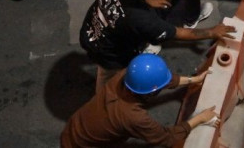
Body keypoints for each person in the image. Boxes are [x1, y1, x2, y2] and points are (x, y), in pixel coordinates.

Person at [79, 0, 236, 92]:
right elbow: (178, 33)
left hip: (90, 31)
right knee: (108, 77)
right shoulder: (144, 21)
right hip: (108, 53)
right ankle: (104, 102)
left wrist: (146, 0)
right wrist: (212, 32)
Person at [60, 53, 219, 147]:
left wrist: (194, 79)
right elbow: (166, 138)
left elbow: (158, 81)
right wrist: (199, 119)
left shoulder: (125, 75)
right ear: (150, 93)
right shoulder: (133, 117)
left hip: (74, 128)